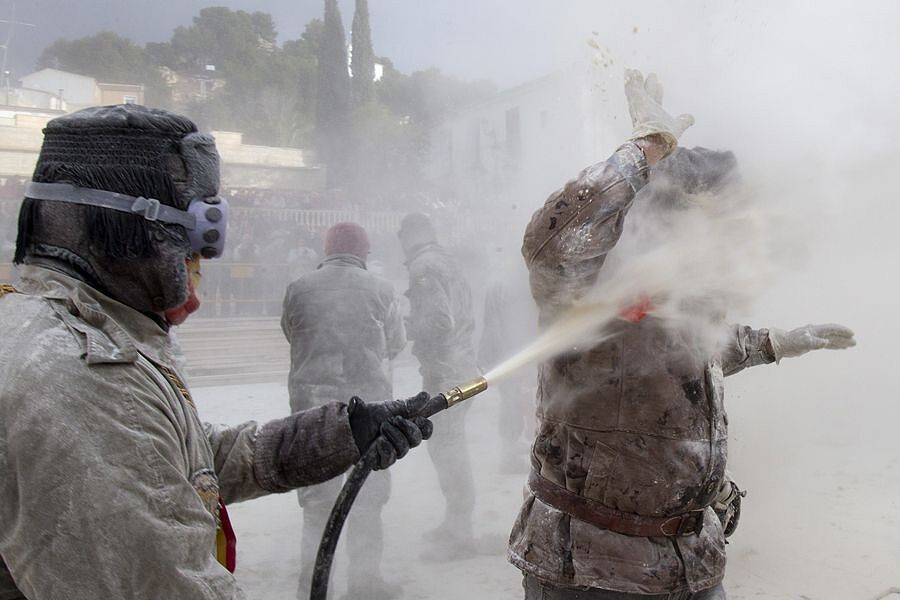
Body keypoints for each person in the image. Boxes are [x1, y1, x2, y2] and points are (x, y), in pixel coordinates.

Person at [0, 105, 433, 600]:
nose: (195, 268)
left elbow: (185, 462)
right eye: (187, 243)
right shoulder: (85, 382)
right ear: (128, 231)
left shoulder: (56, 327)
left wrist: (343, 432)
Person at [509, 71, 856, 599]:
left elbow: (692, 348)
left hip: (688, 567)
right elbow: (554, 245)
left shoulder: (678, 294)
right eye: (713, 220)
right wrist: (644, 150)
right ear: (672, 221)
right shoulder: (590, 292)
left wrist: (776, 342)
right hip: (593, 574)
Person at [281, 221, 407, 599]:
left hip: (310, 409)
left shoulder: (298, 288)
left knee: (318, 504)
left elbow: (290, 332)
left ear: (327, 249)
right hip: (367, 411)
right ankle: (364, 584)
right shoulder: (382, 289)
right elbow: (397, 344)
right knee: (366, 498)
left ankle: (314, 588)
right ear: (364, 253)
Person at [397, 213, 478, 558]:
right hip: (462, 365)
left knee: (448, 449)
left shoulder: (425, 267)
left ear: (409, 236)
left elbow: (438, 322)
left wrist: (407, 326)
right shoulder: (446, 261)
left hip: (446, 371)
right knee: (448, 447)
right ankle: (455, 521)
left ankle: (460, 531)